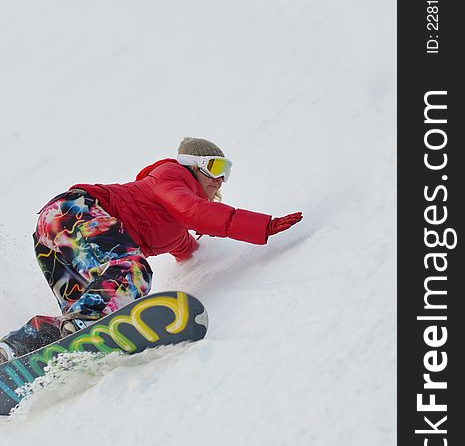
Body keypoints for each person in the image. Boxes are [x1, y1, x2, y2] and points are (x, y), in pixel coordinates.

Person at [0, 137, 302, 363]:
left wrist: (207, 260)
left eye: (227, 171)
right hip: (76, 211)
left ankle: (16, 349)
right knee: (132, 269)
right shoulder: (170, 176)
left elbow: (192, 251)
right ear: (192, 166)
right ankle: (87, 324)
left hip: (52, 232)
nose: (221, 178)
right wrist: (263, 226)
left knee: (87, 303)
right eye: (215, 167)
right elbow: (193, 210)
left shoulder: (176, 232)